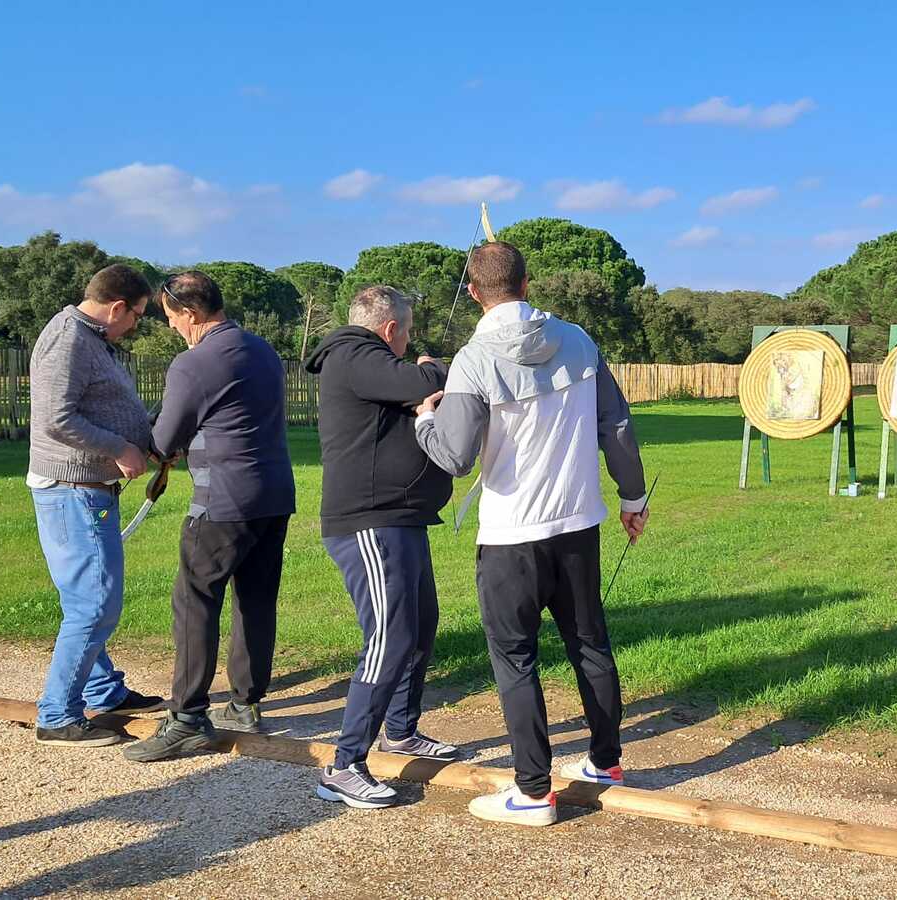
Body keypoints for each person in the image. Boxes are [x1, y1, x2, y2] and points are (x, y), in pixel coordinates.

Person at [415, 241, 648, 827]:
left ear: (474, 292)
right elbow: (615, 423)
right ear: (527, 283)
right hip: (578, 524)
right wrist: (633, 496)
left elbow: (454, 456)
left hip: (511, 534)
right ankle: (605, 761)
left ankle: (533, 791)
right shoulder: (579, 340)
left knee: (514, 658)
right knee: (589, 641)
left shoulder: (472, 357)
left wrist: (424, 419)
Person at [124, 271, 297, 763]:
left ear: (193, 313)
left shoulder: (194, 362)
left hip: (222, 499)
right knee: (256, 600)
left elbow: (164, 438)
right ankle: (244, 704)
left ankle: (187, 717)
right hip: (274, 493)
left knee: (195, 601)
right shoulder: (262, 350)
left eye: (173, 316)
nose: (173, 326)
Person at [301, 285, 461, 809]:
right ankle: (344, 765)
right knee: (388, 637)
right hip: (369, 523)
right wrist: (432, 366)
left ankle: (400, 731)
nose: (410, 341)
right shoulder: (352, 354)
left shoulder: (365, 364)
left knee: (419, 625)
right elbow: (426, 379)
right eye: (408, 332)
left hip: (401, 518)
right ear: (390, 328)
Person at [27, 264, 166, 747]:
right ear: (117, 307)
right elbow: (55, 418)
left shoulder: (86, 337)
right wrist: (120, 448)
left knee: (85, 599)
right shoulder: (69, 339)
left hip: (82, 489)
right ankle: (58, 715)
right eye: (138, 315)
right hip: (74, 491)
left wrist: (145, 438)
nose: (136, 325)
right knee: (94, 604)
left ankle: (103, 691)